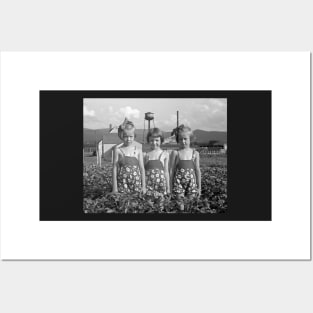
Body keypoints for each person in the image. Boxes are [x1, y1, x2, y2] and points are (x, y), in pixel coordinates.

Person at [112, 119, 146, 194]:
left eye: (131, 136)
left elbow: (142, 169)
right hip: (122, 184)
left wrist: (143, 187)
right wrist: (115, 188)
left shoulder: (138, 150)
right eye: (126, 136)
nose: (128, 139)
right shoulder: (118, 150)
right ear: (122, 136)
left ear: (134, 136)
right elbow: (114, 169)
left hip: (136, 184)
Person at [171, 125, 201, 204]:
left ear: (190, 139)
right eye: (180, 139)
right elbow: (172, 171)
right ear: (178, 140)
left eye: (185, 139)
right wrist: (170, 187)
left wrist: (199, 188)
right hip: (178, 183)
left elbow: (197, 171)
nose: (183, 141)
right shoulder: (176, 153)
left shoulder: (195, 153)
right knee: (180, 205)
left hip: (192, 183)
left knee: (189, 205)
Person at [144, 128, 170, 198]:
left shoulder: (165, 154)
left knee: (160, 205)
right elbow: (143, 172)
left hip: (161, 185)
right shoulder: (146, 155)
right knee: (149, 204)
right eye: (152, 140)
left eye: (157, 140)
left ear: (161, 140)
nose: (154, 142)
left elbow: (166, 172)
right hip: (148, 185)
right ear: (148, 141)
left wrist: (168, 188)